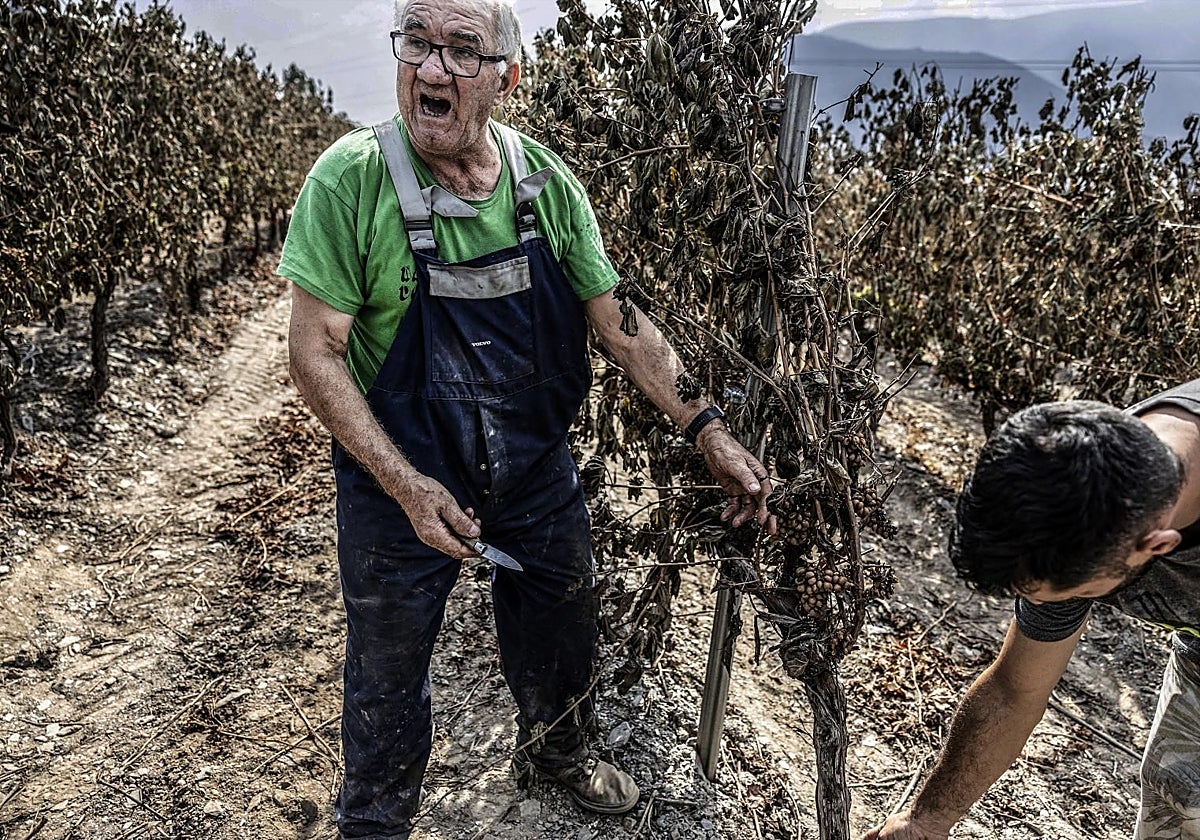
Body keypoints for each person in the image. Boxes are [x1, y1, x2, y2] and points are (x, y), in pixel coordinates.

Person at [279, 1, 775, 836]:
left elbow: (620, 324)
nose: (431, 70)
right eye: (417, 45)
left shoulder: (545, 185)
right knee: (387, 666)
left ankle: (555, 749)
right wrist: (405, 486)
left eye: (461, 52)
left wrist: (708, 430)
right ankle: (375, 820)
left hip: (534, 470)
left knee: (559, 619)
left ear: (508, 77)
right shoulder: (349, 181)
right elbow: (312, 355)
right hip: (400, 474)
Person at [865, 380, 1200, 840]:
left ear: (1157, 546)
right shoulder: (1089, 493)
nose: (1042, 607)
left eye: (1060, 595)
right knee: (1180, 804)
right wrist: (926, 820)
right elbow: (1014, 691)